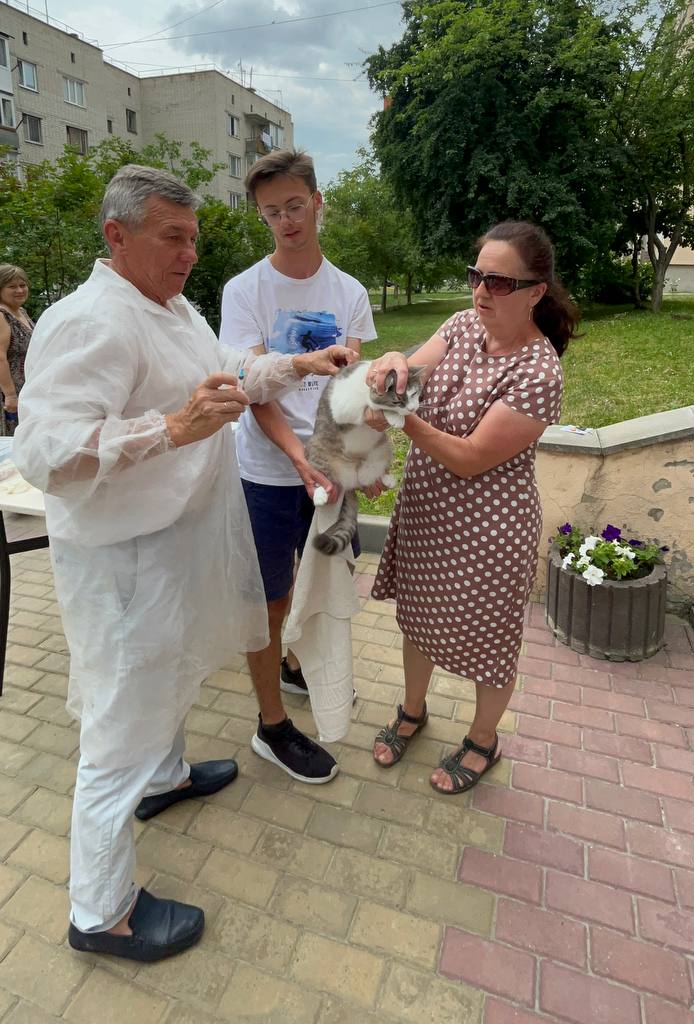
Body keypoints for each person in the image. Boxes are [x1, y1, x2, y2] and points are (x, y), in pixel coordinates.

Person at [12, 164, 355, 962]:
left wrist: (297, 366)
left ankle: (163, 782)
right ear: (117, 236)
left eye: (195, 239)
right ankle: (101, 913)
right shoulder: (91, 320)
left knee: (166, 680)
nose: (190, 254)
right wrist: (172, 428)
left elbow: (228, 372)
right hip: (125, 565)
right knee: (117, 728)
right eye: (174, 237)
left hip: (171, 551)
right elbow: (46, 452)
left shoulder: (165, 306)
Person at [368, 220, 578, 794]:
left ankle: (483, 739)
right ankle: (413, 711)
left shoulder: (540, 371)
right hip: (427, 513)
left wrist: (400, 418)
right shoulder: (463, 325)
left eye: (499, 282)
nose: (481, 291)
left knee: (488, 640)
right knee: (418, 620)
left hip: (490, 528)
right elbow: (412, 372)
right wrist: (391, 364)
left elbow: (469, 458)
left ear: (536, 291)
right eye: (476, 276)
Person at [220, 148, 376, 783]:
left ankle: (292, 666)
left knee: (319, 586)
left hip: (329, 470)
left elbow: (349, 391)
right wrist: (299, 459)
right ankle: (270, 725)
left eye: (293, 206)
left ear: (317, 202)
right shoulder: (245, 290)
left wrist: (352, 461)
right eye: (270, 212)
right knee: (270, 601)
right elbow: (255, 388)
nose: (285, 221)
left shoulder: (350, 292)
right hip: (265, 472)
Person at [0, 264, 34, 436]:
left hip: (27, 390)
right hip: (9, 395)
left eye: (22, 285)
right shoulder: (1, 315)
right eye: (12, 286)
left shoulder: (21, 311)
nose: (20, 290)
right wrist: (10, 395)